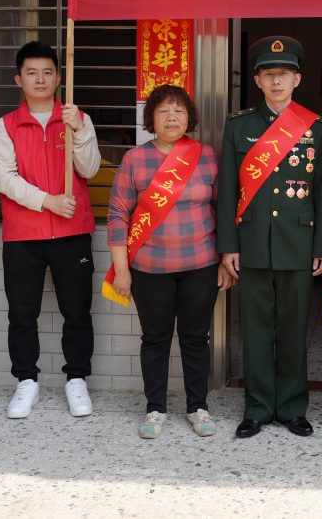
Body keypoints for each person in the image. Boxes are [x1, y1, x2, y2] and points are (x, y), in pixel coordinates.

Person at [217, 35, 322, 439]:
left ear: (297, 79)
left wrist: (321, 247)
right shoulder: (239, 125)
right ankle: (258, 408)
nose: (277, 81)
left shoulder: (316, 128)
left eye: (284, 74)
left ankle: (292, 408)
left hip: (297, 244)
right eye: (269, 74)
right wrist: (228, 245)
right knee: (256, 330)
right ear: (257, 80)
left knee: (293, 330)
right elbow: (228, 190)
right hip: (251, 245)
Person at [106, 85, 233, 439]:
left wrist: (225, 261)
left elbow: (224, 210)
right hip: (149, 269)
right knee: (155, 339)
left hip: (201, 265)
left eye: (179, 110)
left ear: (189, 118)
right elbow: (117, 214)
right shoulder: (135, 159)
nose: (172, 117)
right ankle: (155, 409)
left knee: (196, 338)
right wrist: (121, 269)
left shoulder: (206, 156)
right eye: (163, 111)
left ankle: (197, 407)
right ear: (151, 118)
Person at [0, 41, 101, 419]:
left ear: (58, 77)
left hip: (72, 232)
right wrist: (47, 202)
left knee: (77, 312)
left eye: (48, 72)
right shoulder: (5, 126)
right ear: (19, 79)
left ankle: (77, 379)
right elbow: (4, 179)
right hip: (23, 236)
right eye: (32, 73)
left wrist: (79, 130)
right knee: (22, 313)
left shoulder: (76, 118)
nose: (40, 79)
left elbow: (90, 169)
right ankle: (26, 381)